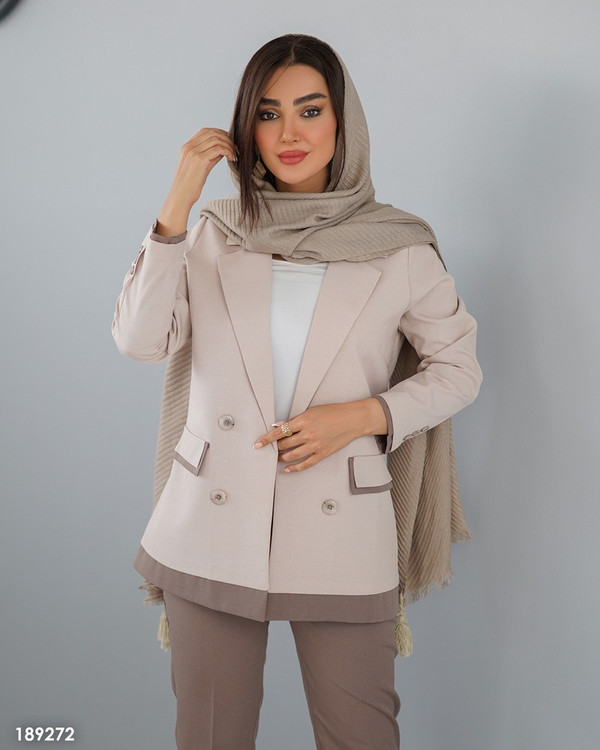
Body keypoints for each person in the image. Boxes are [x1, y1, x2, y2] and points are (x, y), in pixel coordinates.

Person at [112, 33, 482, 750]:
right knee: (210, 737)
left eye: (310, 110)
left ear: (344, 121)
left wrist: (366, 415)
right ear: (245, 126)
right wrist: (177, 204)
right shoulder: (212, 233)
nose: (289, 134)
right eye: (268, 113)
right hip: (210, 521)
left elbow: (458, 368)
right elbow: (140, 340)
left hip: (343, 522)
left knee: (360, 736)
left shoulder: (400, 246)